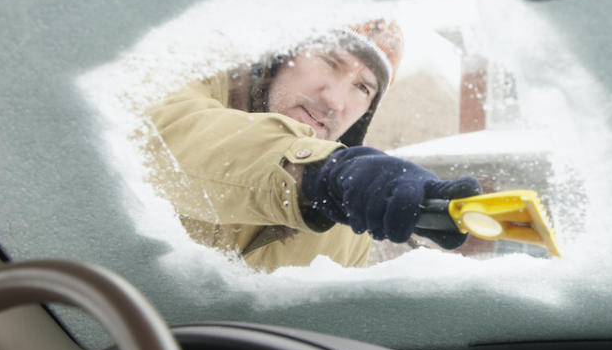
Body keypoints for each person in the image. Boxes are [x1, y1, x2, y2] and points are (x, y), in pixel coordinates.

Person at [142, 19, 481, 272]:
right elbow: (167, 143)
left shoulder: (349, 227)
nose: (335, 101)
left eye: (362, 87)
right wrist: (320, 173)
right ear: (282, 56)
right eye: (329, 62)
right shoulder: (186, 81)